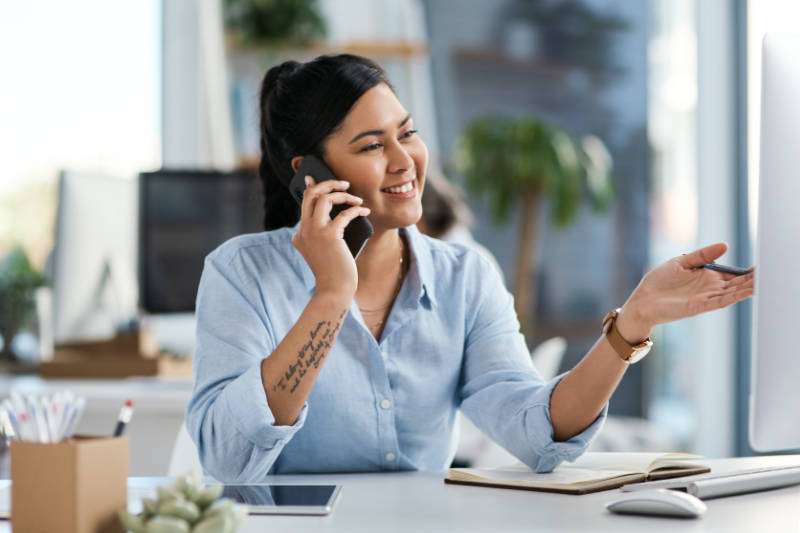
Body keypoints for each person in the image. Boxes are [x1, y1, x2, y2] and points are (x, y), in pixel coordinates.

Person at [186, 54, 754, 482]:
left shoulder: (466, 276)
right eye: (371, 146)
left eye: (406, 132)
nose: (405, 160)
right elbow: (230, 461)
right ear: (311, 173)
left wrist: (632, 323)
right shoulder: (241, 274)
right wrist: (333, 294)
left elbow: (538, 435)